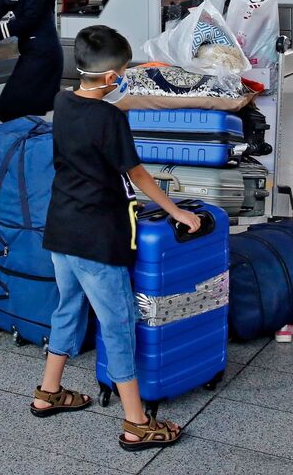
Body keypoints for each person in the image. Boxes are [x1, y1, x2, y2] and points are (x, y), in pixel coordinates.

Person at [31, 25, 199, 451]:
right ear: (110, 78)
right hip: (97, 237)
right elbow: (137, 173)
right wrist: (177, 209)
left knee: (68, 307)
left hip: (62, 228)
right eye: (123, 72)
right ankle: (136, 421)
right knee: (119, 323)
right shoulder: (111, 117)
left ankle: (49, 391)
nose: (124, 77)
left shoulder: (61, 102)